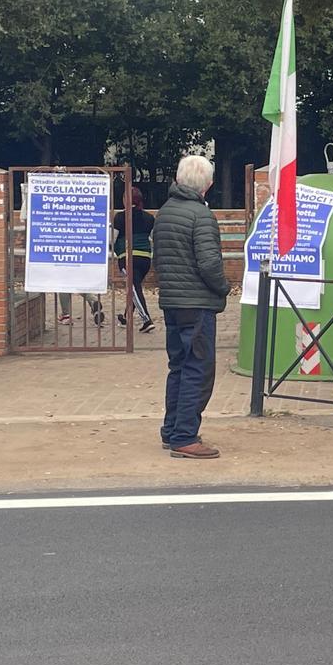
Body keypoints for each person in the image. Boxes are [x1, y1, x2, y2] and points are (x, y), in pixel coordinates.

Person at [151, 155, 229, 459]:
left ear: (178, 178)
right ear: (208, 185)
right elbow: (209, 263)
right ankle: (185, 436)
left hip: (172, 300)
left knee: (178, 367)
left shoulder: (165, 212)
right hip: (196, 303)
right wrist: (223, 288)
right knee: (198, 369)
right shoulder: (201, 216)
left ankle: (171, 430)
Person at [116, 186, 156, 334]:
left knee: (134, 289)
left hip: (127, 258)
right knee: (135, 286)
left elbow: (112, 239)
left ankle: (146, 320)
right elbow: (153, 237)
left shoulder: (120, 217)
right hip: (145, 258)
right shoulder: (149, 218)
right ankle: (126, 317)